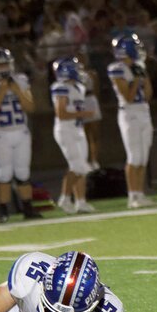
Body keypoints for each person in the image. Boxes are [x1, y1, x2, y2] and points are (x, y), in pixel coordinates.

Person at [108, 33, 156, 209]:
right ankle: (132, 196)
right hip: (129, 114)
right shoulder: (116, 69)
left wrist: (145, 77)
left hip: (144, 112)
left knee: (143, 157)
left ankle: (140, 194)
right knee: (134, 156)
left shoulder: (139, 66)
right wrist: (136, 79)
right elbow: (128, 97)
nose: (140, 51)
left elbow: (148, 95)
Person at [0, 48, 40, 223]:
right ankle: (2, 209)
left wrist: (17, 90)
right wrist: (4, 90)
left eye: (5, 63)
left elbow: (31, 107)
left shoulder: (20, 80)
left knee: (23, 171)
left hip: (21, 131)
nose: (3, 67)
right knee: (4, 173)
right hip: (1, 133)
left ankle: (27, 208)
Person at [51, 57, 96, 214]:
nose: (79, 71)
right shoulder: (60, 87)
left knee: (80, 166)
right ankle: (64, 198)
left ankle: (80, 201)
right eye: (76, 68)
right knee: (78, 166)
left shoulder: (78, 87)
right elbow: (61, 113)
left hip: (77, 129)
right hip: (65, 130)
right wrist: (84, 113)